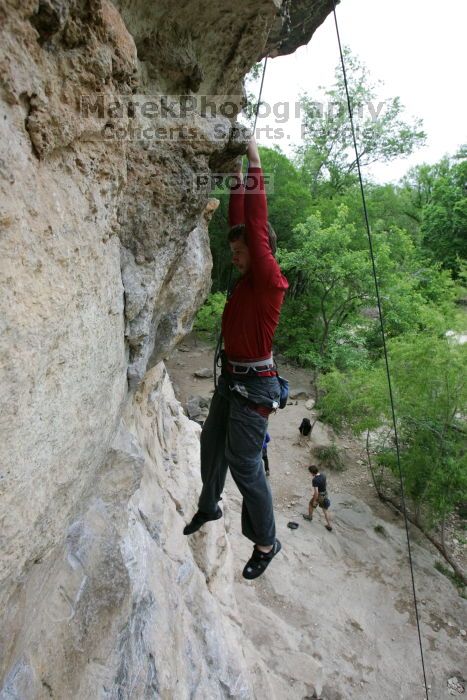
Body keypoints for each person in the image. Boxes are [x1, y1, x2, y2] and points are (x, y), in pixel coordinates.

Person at [183, 136, 289, 580]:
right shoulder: (248, 279)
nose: (234, 254)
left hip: (253, 387)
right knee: (212, 444)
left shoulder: (268, 281)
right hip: (233, 379)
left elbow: (255, 225)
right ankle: (209, 506)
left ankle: (266, 542)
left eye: (240, 250)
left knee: (244, 464)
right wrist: (235, 181)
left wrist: (255, 161)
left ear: (261, 252)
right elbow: (240, 220)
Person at [303, 465, 333, 531]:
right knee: (325, 510)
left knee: (311, 504)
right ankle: (329, 525)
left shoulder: (315, 480)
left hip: (319, 496)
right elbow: (325, 484)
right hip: (325, 494)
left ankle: (310, 517)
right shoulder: (323, 475)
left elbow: (316, 492)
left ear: (312, 472)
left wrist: (314, 500)